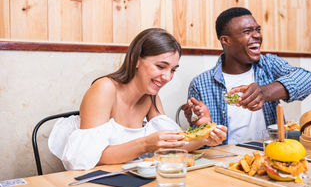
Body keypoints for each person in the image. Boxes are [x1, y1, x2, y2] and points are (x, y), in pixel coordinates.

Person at [48, 28, 227, 170]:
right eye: (160, 66)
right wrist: (145, 144)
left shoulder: (151, 95)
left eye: (173, 70)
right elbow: (86, 159)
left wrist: (205, 135)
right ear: (136, 60)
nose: (167, 77)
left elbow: (171, 145)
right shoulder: (104, 89)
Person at [182, 7, 311, 145]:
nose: (257, 35)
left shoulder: (268, 64)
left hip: (271, 154)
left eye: (257, 30)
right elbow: (198, 140)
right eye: (247, 31)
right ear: (226, 40)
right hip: (225, 159)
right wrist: (204, 125)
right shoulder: (200, 83)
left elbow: (307, 80)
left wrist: (264, 92)